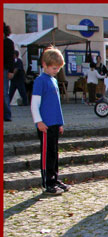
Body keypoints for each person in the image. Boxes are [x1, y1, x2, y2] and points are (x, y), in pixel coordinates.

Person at [31, 46, 71, 195]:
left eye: (58, 68)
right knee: (47, 153)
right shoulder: (40, 81)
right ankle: (47, 182)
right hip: (45, 124)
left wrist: (60, 123)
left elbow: (56, 105)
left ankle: (54, 178)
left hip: (54, 124)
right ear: (45, 65)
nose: (56, 71)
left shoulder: (53, 80)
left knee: (54, 153)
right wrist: (38, 121)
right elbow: (35, 104)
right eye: (54, 68)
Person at [4, 22, 15, 121]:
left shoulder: (8, 43)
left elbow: (11, 58)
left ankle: (7, 115)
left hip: (4, 69)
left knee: (4, 93)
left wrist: (11, 71)